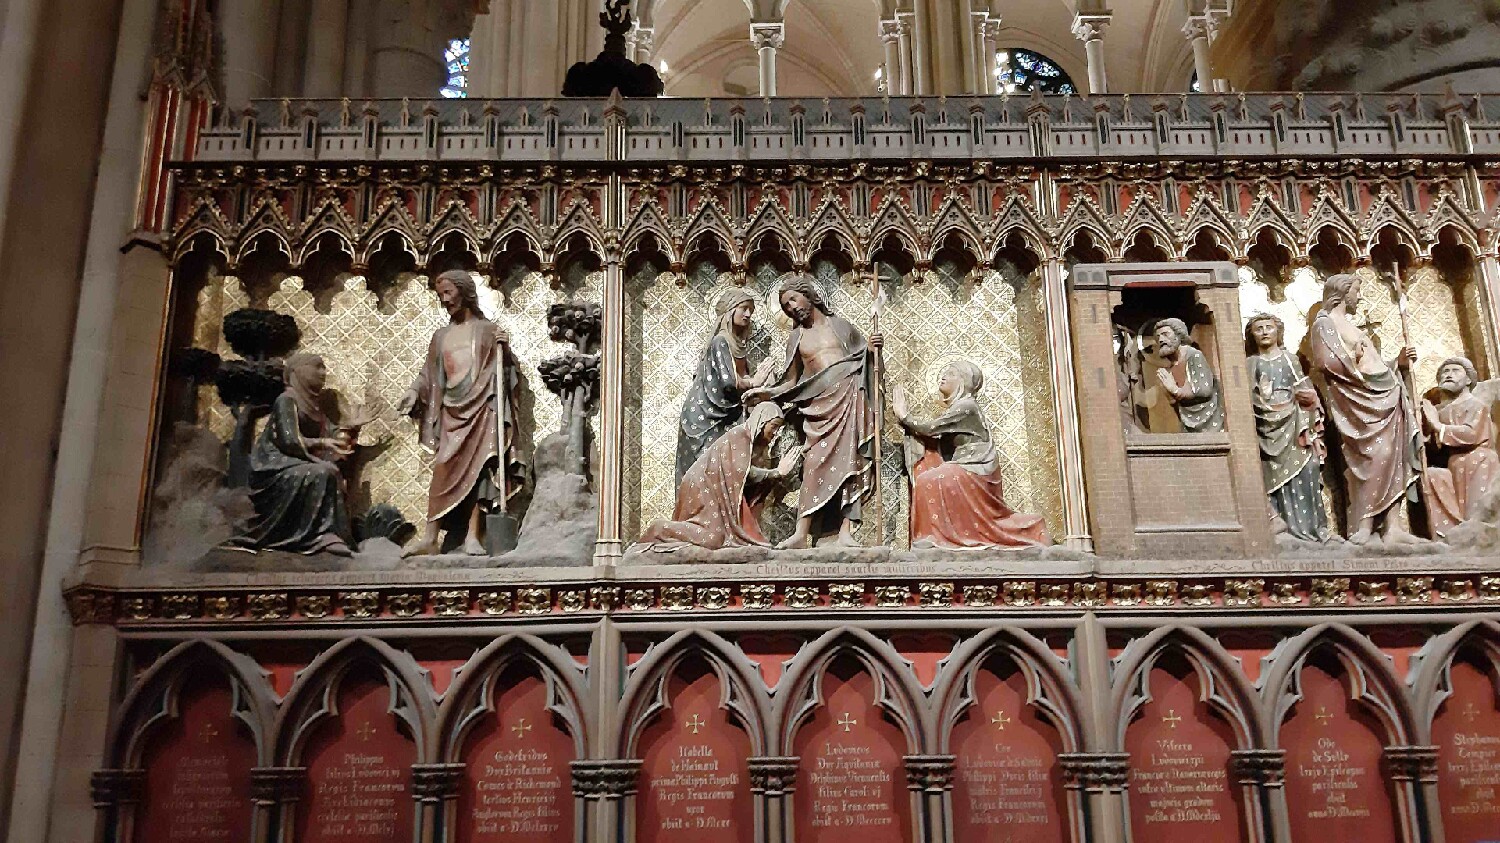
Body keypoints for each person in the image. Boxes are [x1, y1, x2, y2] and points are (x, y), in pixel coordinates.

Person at [744, 275, 879, 549]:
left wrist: (875, 350)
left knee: (850, 464)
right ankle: (800, 534)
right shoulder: (797, 338)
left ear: (809, 295)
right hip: (819, 409)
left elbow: (866, 363)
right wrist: (766, 393)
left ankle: (846, 532)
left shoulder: (841, 327)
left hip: (850, 398)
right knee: (813, 463)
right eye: (785, 306)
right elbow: (791, 381)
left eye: (793, 299)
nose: (792, 308)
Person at [397, 270, 526, 555]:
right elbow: (428, 375)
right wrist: (413, 392)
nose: (444, 300)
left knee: (482, 470)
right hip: (451, 411)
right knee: (443, 467)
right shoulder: (440, 336)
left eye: (448, 293)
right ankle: (430, 538)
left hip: (482, 407)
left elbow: (507, 372)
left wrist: (506, 356)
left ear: (464, 292)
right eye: (440, 295)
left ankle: (472, 535)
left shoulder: (488, 330)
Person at [1307, 272, 1421, 545]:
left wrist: (1398, 364)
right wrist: (1355, 362)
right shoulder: (1324, 324)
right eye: (1356, 291)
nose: (1359, 297)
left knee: (1393, 456)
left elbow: (1375, 365)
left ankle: (1393, 527)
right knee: (1374, 457)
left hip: (1385, 399)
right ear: (1343, 292)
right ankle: (1364, 525)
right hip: (1359, 404)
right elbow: (1327, 363)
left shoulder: (1352, 327)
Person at [892, 360, 1048, 549]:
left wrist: (904, 416)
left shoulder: (966, 406)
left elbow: (932, 428)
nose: (943, 377)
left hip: (975, 467)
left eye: (950, 373)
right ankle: (942, 536)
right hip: (966, 465)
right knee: (927, 479)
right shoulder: (961, 407)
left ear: (962, 381)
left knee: (927, 481)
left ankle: (939, 538)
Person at [230, 354, 354, 556]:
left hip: (298, 461)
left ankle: (327, 534)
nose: (323, 373)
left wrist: (349, 428)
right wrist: (321, 443)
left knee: (329, 470)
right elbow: (288, 440)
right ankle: (317, 535)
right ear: (299, 371)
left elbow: (333, 438)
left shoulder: (316, 409)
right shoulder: (286, 400)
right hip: (274, 465)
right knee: (323, 473)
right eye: (317, 367)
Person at [634, 402, 798, 551]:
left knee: (716, 539)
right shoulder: (741, 436)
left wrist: (772, 474)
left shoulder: (755, 446)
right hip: (702, 486)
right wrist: (776, 472)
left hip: (713, 490)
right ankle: (659, 528)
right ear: (762, 422)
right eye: (774, 426)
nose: (776, 433)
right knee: (713, 539)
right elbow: (743, 473)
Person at [675, 289, 775, 483]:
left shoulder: (736, 344)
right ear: (729, 311)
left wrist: (763, 384)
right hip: (704, 416)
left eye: (751, 311)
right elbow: (728, 383)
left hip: (723, 415)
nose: (748, 315)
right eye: (744, 309)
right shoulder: (721, 341)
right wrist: (754, 381)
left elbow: (741, 382)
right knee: (705, 472)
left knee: (722, 472)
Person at [1245, 313, 1331, 542]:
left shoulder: (1289, 359)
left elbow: (1303, 385)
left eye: (1268, 327)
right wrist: (1261, 398)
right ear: (1252, 335)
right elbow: (1242, 399)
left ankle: (1311, 529)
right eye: (1258, 328)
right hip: (1264, 425)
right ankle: (1280, 527)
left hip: (1293, 422)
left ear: (1278, 332)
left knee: (1308, 467)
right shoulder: (1251, 363)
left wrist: (1310, 397)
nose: (1264, 332)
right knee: (1269, 476)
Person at [1420, 356, 1500, 536]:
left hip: (1479, 462)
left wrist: (1438, 425)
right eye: (1445, 372)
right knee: (1432, 475)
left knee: (1476, 513)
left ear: (1469, 380)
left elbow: (1471, 434)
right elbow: (1435, 447)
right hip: (1454, 464)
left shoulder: (1476, 405)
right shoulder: (1440, 410)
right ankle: (1451, 536)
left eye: (1455, 371)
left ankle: (1477, 541)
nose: (1448, 375)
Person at [1151, 317, 1225, 432]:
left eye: (1165, 334)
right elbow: (1174, 403)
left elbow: (1204, 390)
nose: (1161, 340)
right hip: (1187, 420)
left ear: (1178, 335)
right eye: (1158, 337)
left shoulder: (1193, 355)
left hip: (1209, 420)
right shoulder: (1172, 367)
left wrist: (1176, 390)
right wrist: (1168, 391)